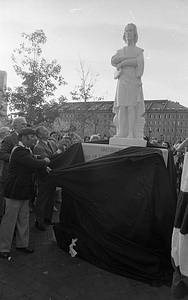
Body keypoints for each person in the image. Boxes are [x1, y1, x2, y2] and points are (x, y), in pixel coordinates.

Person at [0, 128, 51, 259]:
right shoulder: (19, 151)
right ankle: (3, 248)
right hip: (14, 191)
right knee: (9, 221)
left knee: (23, 218)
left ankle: (22, 244)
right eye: (31, 136)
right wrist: (45, 162)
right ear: (23, 138)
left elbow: (32, 162)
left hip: (23, 190)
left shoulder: (26, 151)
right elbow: (32, 163)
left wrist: (44, 166)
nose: (34, 139)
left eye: (35, 136)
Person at [111, 23, 145, 139]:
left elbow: (138, 62)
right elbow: (113, 60)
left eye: (130, 31)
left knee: (131, 107)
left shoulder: (138, 51)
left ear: (135, 33)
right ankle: (122, 132)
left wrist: (123, 63)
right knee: (121, 107)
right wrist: (128, 59)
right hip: (122, 81)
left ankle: (130, 132)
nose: (128, 33)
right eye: (126, 31)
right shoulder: (120, 51)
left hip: (132, 81)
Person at [33, 126, 64, 231]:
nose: (47, 132)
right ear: (39, 135)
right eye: (44, 131)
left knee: (51, 199)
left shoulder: (51, 143)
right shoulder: (38, 147)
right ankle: (39, 221)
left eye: (47, 130)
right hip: (44, 177)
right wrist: (58, 153)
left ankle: (47, 218)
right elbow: (46, 160)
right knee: (42, 199)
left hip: (52, 175)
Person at [0, 117, 27, 221]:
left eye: (26, 125)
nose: (25, 127)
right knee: (6, 201)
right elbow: (2, 153)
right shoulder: (9, 139)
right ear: (15, 126)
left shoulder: (26, 139)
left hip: (21, 176)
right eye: (23, 125)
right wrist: (16, 159)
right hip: (9, 175)